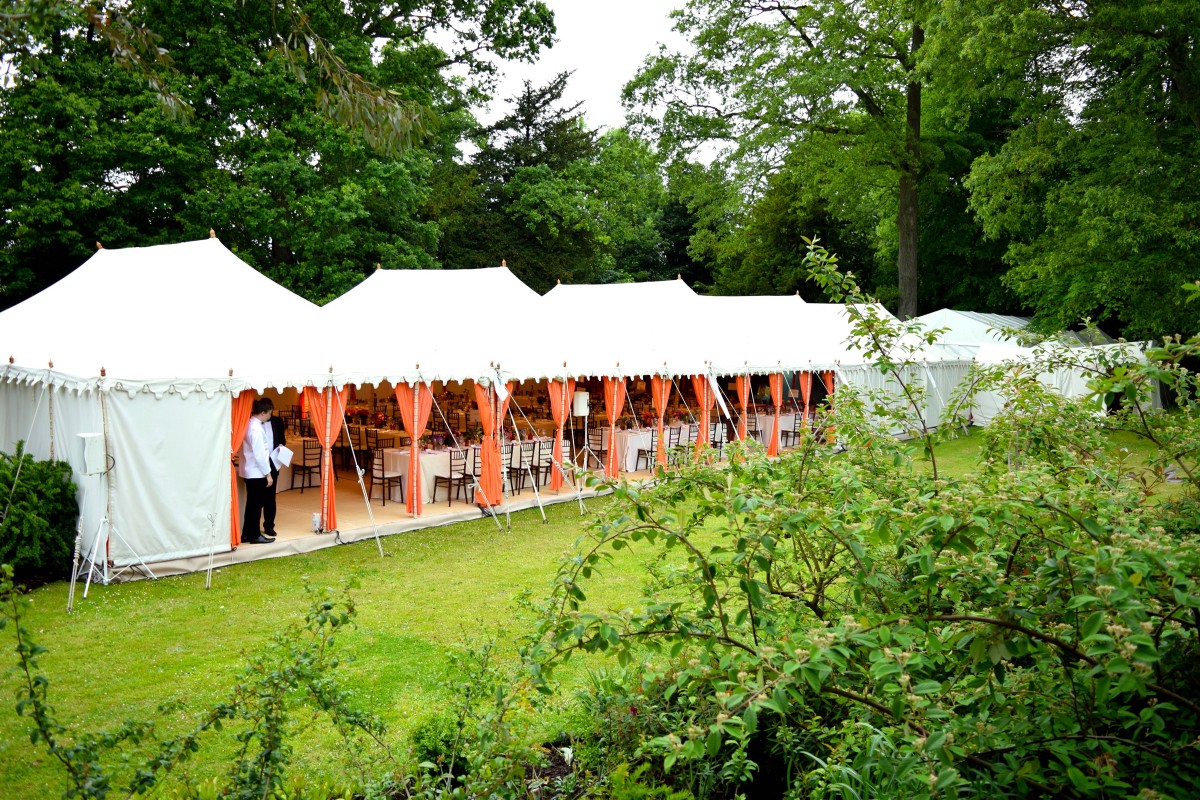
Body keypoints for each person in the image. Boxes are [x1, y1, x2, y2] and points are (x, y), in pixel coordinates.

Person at [239, 397, 276, 544]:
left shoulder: (249, 424)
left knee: (251, 504)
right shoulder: (257, 429)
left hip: (249, 470)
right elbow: (261, 455)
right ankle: (254, 534)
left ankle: (247, 533)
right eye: (269, 413)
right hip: (256, 472)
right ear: (263, 412)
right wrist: (268, 474)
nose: (270, 416)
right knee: (256, 505)